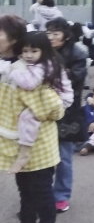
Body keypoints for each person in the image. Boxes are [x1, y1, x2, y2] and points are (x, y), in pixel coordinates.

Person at [0, 15, 65, 223]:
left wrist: (33, 113)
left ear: (13, 39)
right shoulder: (7, 64)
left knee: (41, 193)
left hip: (38, 144)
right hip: (16, 143)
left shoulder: (30, 70)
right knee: (25, 192)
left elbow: (55, 108)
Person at [4, 32, 73, 174]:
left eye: (34, 51)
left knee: (27, 117)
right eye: (25, 51)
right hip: (54, 97)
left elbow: (29, 83)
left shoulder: (44, 65)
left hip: (61, 99)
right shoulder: (42, 62)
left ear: (44, 50)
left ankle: (25, 152)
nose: (29, 55)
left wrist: (12, 71)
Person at [46, 18, 88, 213]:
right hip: (44, 111)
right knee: (43, 155)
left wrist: (55, 72)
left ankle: (62, 195)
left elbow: (75, 80)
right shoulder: (42, 50)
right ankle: (43, 194)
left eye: (56, 33)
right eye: (49, 33)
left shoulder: (77, 52)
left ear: (66, 34)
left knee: (64, 156)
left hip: (67, 112)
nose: (51, 37)